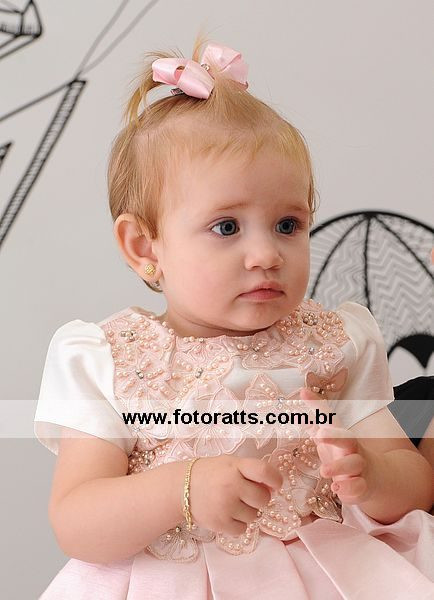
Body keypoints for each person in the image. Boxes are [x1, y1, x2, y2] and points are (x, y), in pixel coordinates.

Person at [34, 33, 434, 599]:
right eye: (226, 227)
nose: (266, 254)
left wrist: (371, 475)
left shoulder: (335, 342)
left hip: (328, 573)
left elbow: (414, 483)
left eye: (288, 225)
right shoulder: (109, 359)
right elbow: (76, 520)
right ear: (145, 247)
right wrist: (183, 489)